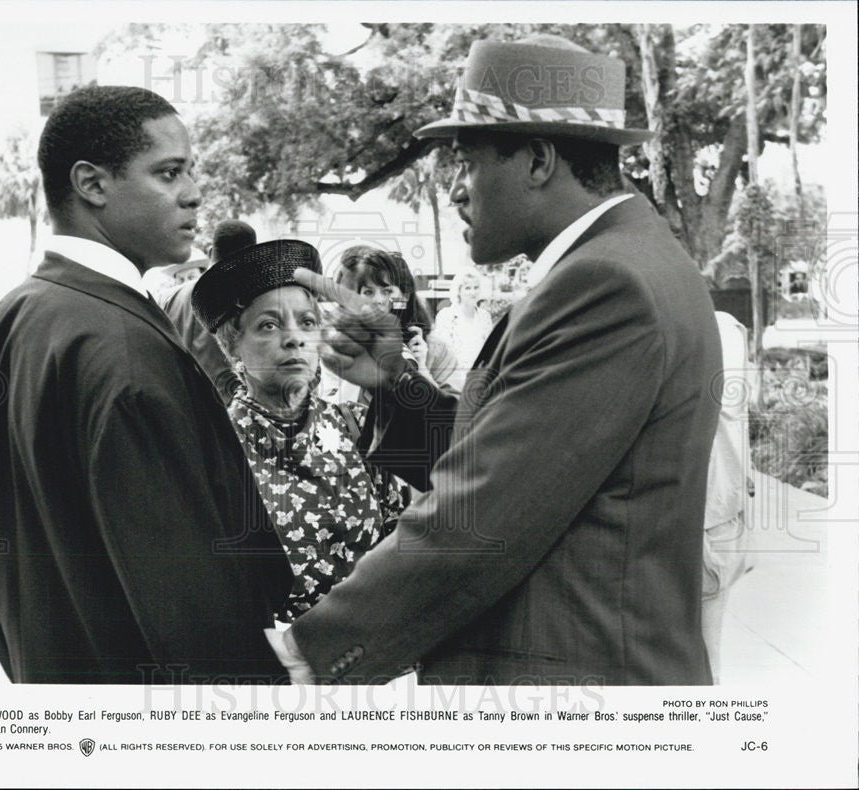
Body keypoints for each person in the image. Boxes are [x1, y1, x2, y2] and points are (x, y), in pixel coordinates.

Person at [269, 35, 723, 685]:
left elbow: (478, 519)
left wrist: (305, 654)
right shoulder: (625, 260)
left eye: (468, 162)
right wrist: (397, 381)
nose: (457, 191)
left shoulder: (604, 284)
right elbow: (514, 462)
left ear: (538, 159)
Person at [0, 86, 292, 683]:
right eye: (168, 172)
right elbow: (190, 603)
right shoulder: (125, 350)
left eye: (191, 171)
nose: (194, 192)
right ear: (92, 184)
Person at [189, 238, 405, 622]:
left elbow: (404, 539)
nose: (294, 338)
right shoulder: (215, 452)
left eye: (307, 322)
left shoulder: (356, 423)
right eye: (269, 325)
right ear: (233, 346)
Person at [702, 311, 755, 682]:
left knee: (704, 658)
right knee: (707, 654)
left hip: (711, 517)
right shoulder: (727, 328)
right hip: (719, 514)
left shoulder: (719, 329)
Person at [336, 246, 459, 396]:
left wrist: (421, 370)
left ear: (405, 296)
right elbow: (333, 407)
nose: (378, 300)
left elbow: (457, 412)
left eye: (387, 291)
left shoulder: (436, 350)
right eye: (368, 292)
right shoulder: (346, 345)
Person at [159, 220, 258, 403]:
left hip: (181, 408)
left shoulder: (168, 299)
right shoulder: (254, 302)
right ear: (252, 257)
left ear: (211, 252)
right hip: (233, 414)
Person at [433, 269, 493, 389]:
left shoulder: (484, 316)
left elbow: (490, 350)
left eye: (476, 287)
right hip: (454, 379)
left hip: (480, 378)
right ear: (459, 291)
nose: (473, 292)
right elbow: (442, 353)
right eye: (467, 288)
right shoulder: (446, 316)